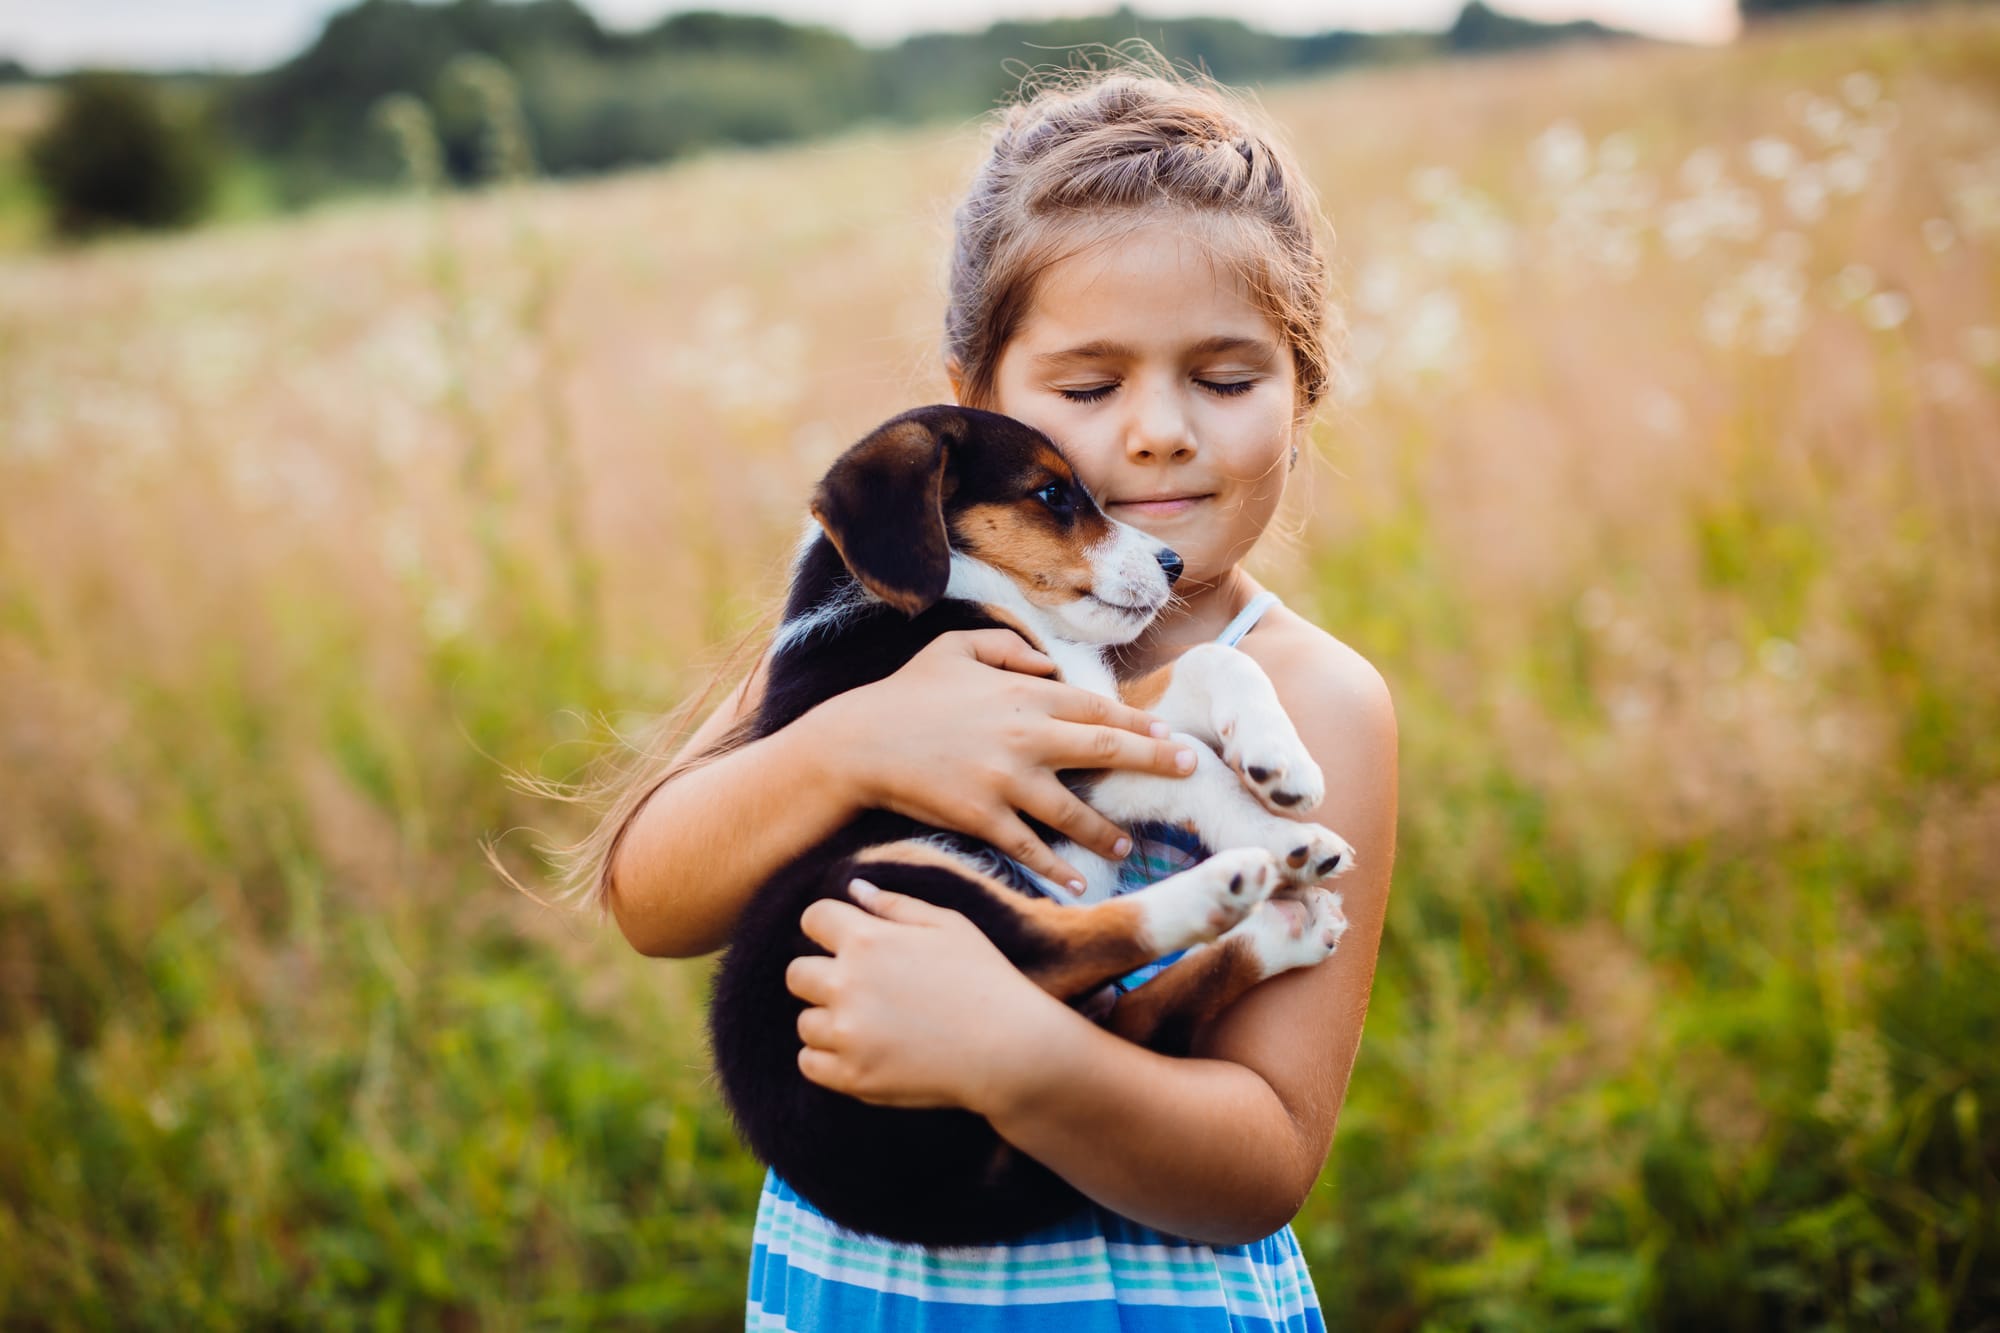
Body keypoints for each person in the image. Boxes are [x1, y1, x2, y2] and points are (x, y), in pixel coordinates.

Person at [565, 54, 1397, 1333]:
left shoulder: (1312, 697)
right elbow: (650, 899)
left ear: (1304, 391)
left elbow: (1265, 1162)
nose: (1161, 431)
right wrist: (843, 752)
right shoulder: (877, 632)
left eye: (1225, 379)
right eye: (1086, 386)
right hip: (863, 1291)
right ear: (973, 406)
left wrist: (1018, 1059)